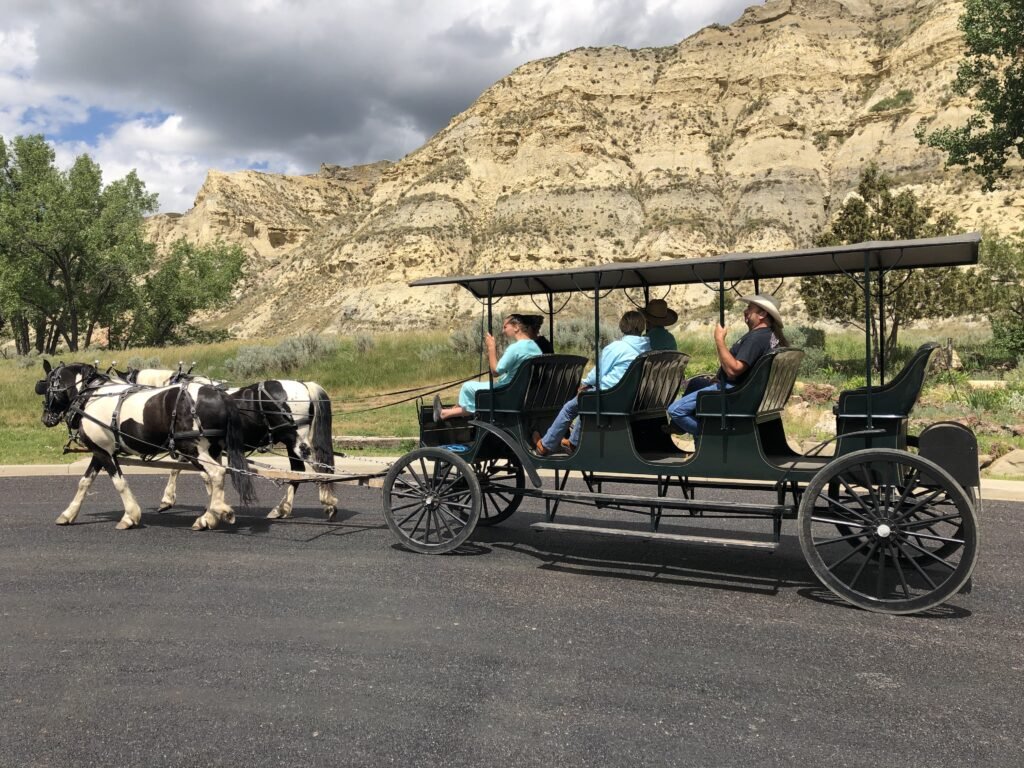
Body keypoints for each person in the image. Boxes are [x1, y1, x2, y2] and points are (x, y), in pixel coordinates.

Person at [666, 294, 786, 436]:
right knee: (696, 383)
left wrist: (719, 340)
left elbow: (734, 370)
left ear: (762, 314)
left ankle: (709, 438)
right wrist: (718, 376)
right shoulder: (770, 336)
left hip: (735, 393)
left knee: (675, 410)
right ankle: (679, 428)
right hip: (747, 390)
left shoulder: (757, 338)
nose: (745, 311)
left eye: (749, 308)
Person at [533, 310, 650, 454]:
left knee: (570, 407)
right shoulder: (646, 349)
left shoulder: (617, 348)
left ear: (623, 326)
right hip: (630, 397)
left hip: (609, 396)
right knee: (585, 401)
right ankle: (573, 443)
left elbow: (597, 374)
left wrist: (584, 383)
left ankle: (546, 445)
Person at [435, 314, 542, 421]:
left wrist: (491, 347)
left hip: (507, 392)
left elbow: (495, 371)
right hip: (523, 392)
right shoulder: (536, 348)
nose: (503, 331)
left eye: (505, 327)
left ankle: (448, 414)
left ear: (516, 327)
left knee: (467, 387)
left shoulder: (516, 348)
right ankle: (445, 413)